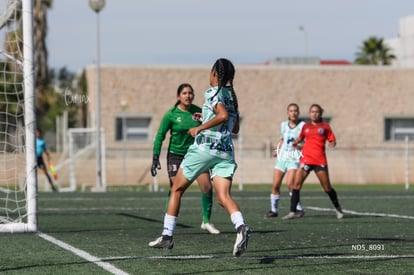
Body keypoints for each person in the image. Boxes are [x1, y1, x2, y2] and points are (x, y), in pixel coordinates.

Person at [149, 58, 251, 257]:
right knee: (224, 197)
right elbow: (234, 127)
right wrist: (204, 118)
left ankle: (167, 236)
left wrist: (199, 127)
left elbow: (221, 116)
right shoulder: (231, 96)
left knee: (176, 189)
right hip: (225, 151)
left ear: (214, 73)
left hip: (205, 148)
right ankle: (241, 227)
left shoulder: (212, 92)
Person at [151, 83, 220, 234]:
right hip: (176, 155)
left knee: (207, 187)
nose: (188, 95)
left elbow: (211, 126)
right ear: (178, 96)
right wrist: (155, 156)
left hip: (196, 155)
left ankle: (206, 221)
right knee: (176, 188)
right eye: (184, 93)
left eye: (190, 93)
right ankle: (168, 222)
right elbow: (160, 135)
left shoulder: (198, 112)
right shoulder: (171, 114)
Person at [283, 104, 343, 220]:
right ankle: (292, 211)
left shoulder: (325, 127)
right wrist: (296, 142)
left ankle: (338, 208)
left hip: (320, 161)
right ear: (309, 114)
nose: (314, 114)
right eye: (312, 112)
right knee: (296, 184)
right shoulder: (306, 126)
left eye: (316, 112)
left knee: (327, 188)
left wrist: (332, 143)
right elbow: (300, 138)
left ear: (320, 113)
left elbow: (332, 139)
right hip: (306, 159)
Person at [266, 103, 305, 218]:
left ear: (298, 112)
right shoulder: (283, 125)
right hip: (282, 157)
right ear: (288, 113)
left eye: (295, 111)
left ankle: (298, 208)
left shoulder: (303, 126)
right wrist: (277, 150)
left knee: (290, 184)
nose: (293, 113)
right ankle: (274, 210)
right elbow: (282, 139)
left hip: (294, 157)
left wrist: (300, 145)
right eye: (291, 111)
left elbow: (306, 142)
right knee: (275, 185)